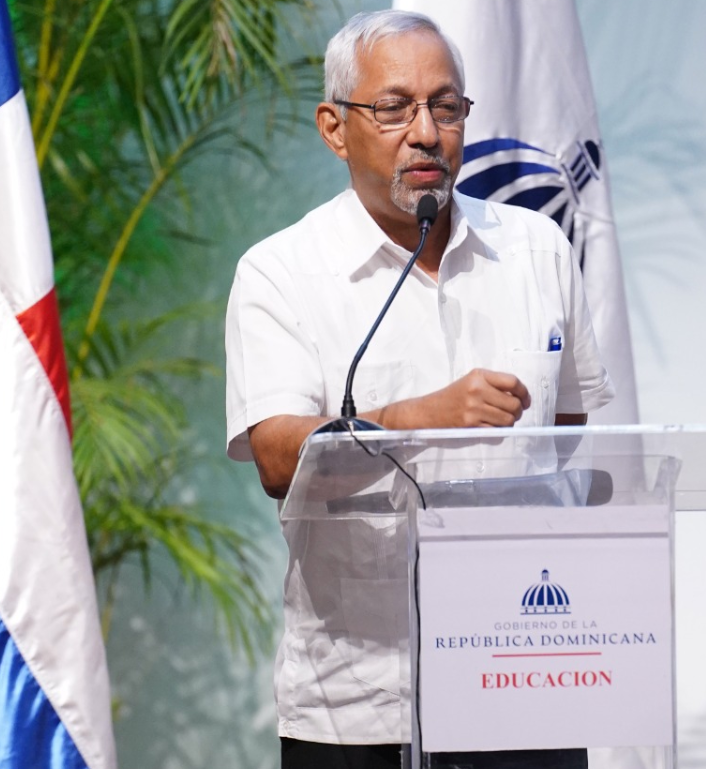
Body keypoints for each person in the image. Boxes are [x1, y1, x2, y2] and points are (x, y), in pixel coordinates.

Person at [224, 9, 615, 769]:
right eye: (396, 108)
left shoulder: (536, 248)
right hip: (360, 700)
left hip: (523, 673)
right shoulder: (280, 273)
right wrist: (419, 419)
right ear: (336, 129)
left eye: (446, 106)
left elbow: (570, 431)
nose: (427, 132)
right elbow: (277, 457)